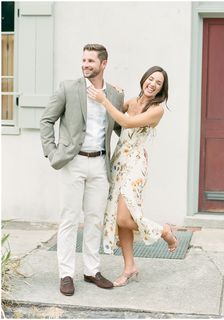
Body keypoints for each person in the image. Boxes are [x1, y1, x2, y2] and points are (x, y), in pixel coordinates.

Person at [40, 44, 124, 295]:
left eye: (91, 61)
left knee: (94, 220)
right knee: (69, 219)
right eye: (84, 60)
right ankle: (66, 274)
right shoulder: (68, 88)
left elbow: (122, 126)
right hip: (73, 162)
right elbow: (46, 120)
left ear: (104, 63)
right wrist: (52, 152)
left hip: (100, 163)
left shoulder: (115, 95)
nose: (85, 64)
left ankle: (91, 270)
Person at [87, 65, 178, 287]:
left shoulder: (157, 110)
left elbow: (126, 122)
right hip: (118, 161)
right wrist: (113, 94)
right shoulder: (131, 102)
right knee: (122, 220)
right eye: (151, 79)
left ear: (161, 89)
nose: (153, 84)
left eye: (158, 83)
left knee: (124, 218)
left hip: (136, 164)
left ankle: (164, 231)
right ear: (144, 79)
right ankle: (129, 267)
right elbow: (116, 115)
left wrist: (104, 100)